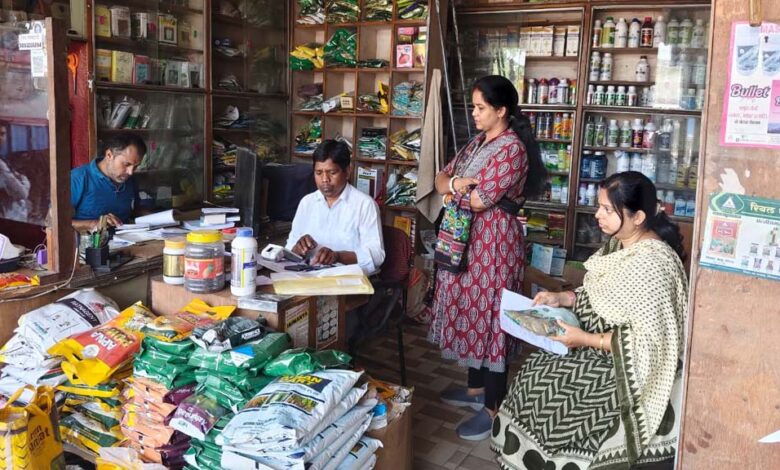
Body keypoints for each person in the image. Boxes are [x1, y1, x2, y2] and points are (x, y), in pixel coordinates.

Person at [491, 171, 689, 470]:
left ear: (637, 217)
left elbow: (648, 342)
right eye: (599, 206)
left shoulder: (652, 265)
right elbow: (603, 294)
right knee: (533, 375)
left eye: (607, 209)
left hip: (629, 365)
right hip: (598, 347)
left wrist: (584, 339)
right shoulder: (621, 244)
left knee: (557, 403)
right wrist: (564, 298)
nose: (597, 215)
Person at [430, 75, 547, 440]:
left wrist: (453, 191)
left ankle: (494, 407)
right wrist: (455, 185)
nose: (474, 114)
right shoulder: (477, 142)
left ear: (502, 110)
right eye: (474, 107)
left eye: (481, 108)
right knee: (471, 310)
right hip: (467, 242)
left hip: (494, 246)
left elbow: (482, 200)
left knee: (493, 319)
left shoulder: (512, 149)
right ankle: (475, 390)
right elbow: (440, 178)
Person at [285, 139, 384, 274]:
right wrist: (297, 249)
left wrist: (338, 256)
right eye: (318, 173)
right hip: (310, 275)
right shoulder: (307, 203)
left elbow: (377, 255)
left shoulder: (364, 205)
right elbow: (289, 248)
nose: (324, 179)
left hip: (348, 279)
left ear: (347, 172)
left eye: (332, 173)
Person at [70, 133, 146, 232]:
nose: (130, 172)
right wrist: (94, 224)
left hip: (126, 239)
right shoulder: (77, 178)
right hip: (89, 240)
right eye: (126, 164)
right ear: (109, 155)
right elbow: (54, 221)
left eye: (136, 166)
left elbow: (135, 211)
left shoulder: (130, 180)